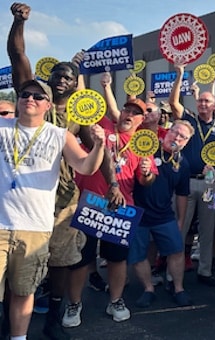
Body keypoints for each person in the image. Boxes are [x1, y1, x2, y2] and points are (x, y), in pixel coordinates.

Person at [7, 4, 126, 339]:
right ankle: (10, 321)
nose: (61, 80)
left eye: (68, 77)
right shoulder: (32, 100)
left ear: (76, 85)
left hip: (61, 200)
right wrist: (19, 22)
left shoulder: (79, 117)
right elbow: (18, 55)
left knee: (61, 262)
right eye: (56, 75)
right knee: (15, 268)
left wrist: (113, 182)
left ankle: (54, 320)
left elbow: (97, 152)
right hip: (22, 198)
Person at [0, 79, 105, 340]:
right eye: (25, 94)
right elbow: (17, 54)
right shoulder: (2, 127)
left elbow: (85, 166)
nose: (30, 99)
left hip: (35, 227)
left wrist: (100, 145)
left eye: (38, 96)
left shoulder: (59, 135)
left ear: (48, 104)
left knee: (24, 291)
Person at [64, 98, 157, 327]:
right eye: (127, 109)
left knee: (117, 260)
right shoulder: (103, 126)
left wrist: (146, 173)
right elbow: (83, 106)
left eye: (136, 113)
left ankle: (115, 300)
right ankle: (74, 303)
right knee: (80, 260)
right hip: (88, 204)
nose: (129, 114)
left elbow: (147, 181)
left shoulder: (142, 143)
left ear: (141, 120)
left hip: (120, 209)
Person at [169, 63, 215, 287]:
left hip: (210, 186)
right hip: (185, 184)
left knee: (207, 228)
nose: (203, 104)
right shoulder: (188, 121)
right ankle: (171, 274)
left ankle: (204, 270)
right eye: (200, 101)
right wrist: (180, 75)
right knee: (181, 226)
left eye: (207, 101)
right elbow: (173, 103)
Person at [129, 120, 194, 308]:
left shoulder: (183, 163)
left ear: (186, 142)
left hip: (164, 214)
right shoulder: (147, 148)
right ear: (168, 131)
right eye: (175, 132)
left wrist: (181, 220)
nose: (177, 138)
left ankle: (178, 288)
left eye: (183, 137)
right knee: (138, 255)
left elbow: (182, 195)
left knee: (176, 250)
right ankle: (148, 289)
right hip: (138, 213)